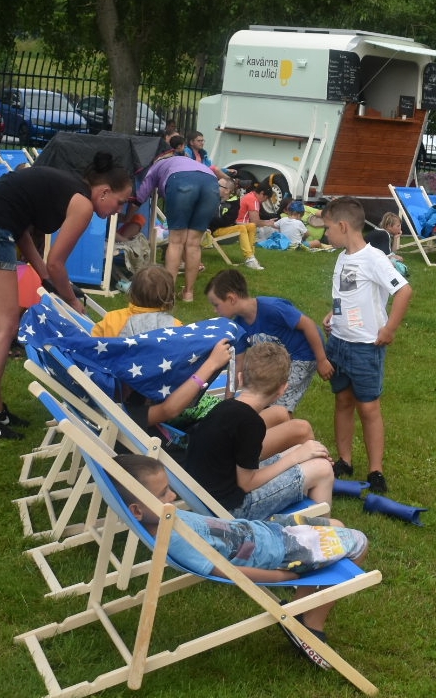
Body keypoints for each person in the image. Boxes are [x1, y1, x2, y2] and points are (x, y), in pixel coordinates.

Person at [111, 453, 365, 660]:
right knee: (359, 543)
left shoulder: (165, 518)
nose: (173, 496)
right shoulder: (173, 538)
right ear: (136, 510)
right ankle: (310, 623)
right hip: (280, 553)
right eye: (164, 493)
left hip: (264, 530)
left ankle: (301, 605)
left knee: (337, 524)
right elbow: (223, 570)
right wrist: (278, 577)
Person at [0, 152, 134, 440]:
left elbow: (24, 233)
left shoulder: (67, 188)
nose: (119, 211)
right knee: (4, 326)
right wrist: (73, 302)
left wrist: (47, 280)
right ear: (104, 192)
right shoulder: (83, 204)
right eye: (120, 202)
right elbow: (56, 262)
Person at [173, 340, 335, 518]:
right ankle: (321, 535)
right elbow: (247, 484)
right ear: (282, 390)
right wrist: (295, 458)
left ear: (241, 378)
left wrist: (299, 454)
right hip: (230, 509)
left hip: (207, 494)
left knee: (301, 450)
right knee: (322, 469)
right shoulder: (250, 423)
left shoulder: (225, 408)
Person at [322, 197, 412, 494]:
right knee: (343, 401)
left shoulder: (374, 259)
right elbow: (345, 294)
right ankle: (345, 460)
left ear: (343, 226)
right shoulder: (342, 257)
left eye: (328, 229)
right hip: (339, 343)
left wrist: (389, 329)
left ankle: (376, 470)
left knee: (368, 407)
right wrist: (333, 316)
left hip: (364, 346)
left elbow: (404, 291)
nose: (326, 235)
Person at [206, 268, 333, 424]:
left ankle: (286, 435)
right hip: (279, 360)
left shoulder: (272, 308)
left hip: (303, 354)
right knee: (262, 396)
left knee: (278, 405)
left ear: (231, 299)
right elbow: (237, 365)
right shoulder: (238, 327)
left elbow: (308, 325)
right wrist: (227, 403)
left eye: (216, 304)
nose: (214, 310)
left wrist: (322, 360)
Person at [134, 136, 221, 301]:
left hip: (181, 182)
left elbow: (140, 196)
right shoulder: (190, 161)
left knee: (176, 241)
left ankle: (169, 292)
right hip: (211, 183)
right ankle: (188, 293)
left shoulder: (157, 165)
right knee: (194, 243)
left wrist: (126, 216)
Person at [93, 267, 181, 338]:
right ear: (170, 297)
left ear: (131, 293)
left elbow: (93, 345)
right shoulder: (175, 326)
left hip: (118, 360)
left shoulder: (111, 319)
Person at [209, 174, 264, 271]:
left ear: (227, 190)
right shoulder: (212, 199)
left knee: (251, 226)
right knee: (241, 228)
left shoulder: (234, 203)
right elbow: (219, 220)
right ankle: (249, 259)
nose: (215, 186)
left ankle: (251, 256)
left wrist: (228, 222)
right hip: (214, 231)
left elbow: (227, 220)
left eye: (218, 185)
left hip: (224, 228)